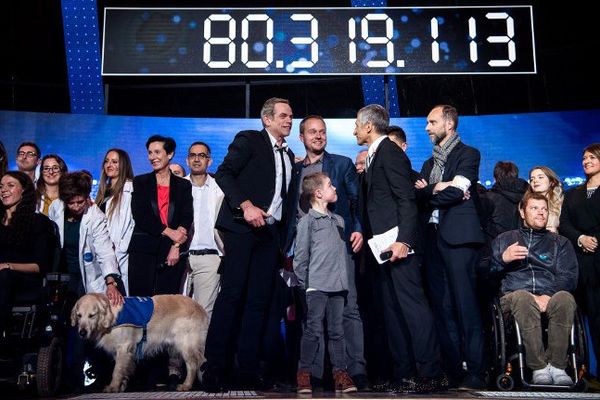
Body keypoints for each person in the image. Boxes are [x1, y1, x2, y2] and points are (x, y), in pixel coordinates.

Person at [202, 97, 295, 391]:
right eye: (283, 115)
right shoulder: (250, 140)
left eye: (291, 116)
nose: (288, 120)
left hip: (269, 236)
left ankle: (247, 368)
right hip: (242, 228)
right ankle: (215, 368)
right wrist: (245, 205)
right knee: (231, 295)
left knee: (258, 302)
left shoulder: (289, 155)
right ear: (266, 119)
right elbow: (225, 173)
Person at [354, 104, 445, 393]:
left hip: (398, 245)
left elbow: (406, 199)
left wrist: (405, 241)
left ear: (369, 126)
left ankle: (431, 373)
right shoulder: (374, 156)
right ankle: (403, 373)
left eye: (357, 124)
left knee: (413, 308)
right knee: (393, 311)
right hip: (382, 247)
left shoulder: (390, 152)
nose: (354, 130)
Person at [285, 115, 366, 389]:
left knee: (348, 310)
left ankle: (353, 372)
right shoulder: (295, 169)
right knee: (311, 316)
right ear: (302, 137)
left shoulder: (341, 164)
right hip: (306, 248)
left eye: (322, 131)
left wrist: (358, 228)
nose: (318, 136)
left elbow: (356, 201)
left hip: (339, 244)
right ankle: (313, 374)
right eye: (312, 132)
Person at [416, 104, 486, 389]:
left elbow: (457, 192)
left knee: (465, 306)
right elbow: (419, 195)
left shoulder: (468, 154)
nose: (427, 128)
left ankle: (476, 371)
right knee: (442, 309)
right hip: (432, 242)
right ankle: (454, 370)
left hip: (459, 240)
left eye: (432, 122)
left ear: (450, 124)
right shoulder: (429, 164)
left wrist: (430, 191)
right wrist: (437, 189)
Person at [48, 171, 124, 391]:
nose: (76, 206)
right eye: (71, 202)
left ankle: (94, 378)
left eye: (80, 201)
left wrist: (111, 282)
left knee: (89, 330)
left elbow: (104, 250)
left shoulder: (94, 215)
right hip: (61, 276)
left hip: (87, 278)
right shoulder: (55, 208)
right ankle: (64, 378)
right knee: (63, 327)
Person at [492, 191, 578, 385]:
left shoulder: (560, 243)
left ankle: (557, 367)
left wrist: (547, 295)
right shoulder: (505, 239)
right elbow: (483, 274)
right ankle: (538, 367)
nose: (541, 213)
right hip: (513, 298)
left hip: (551, 295)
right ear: (522, 212)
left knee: (565, 298)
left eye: (544, 209)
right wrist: (502, 260)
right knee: (523, 297)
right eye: (534, 208)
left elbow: (569, 276)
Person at [295, 172, 358, 394]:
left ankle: (340, 372)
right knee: (313, 330)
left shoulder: (338, 220)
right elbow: (301, 257)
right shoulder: (307, 222)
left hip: (338, 286)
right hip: (317, 287)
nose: (335, 189)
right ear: (319, 193)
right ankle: (304, 373)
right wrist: (307, 284)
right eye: (331, 185)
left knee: (337, 331)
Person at [128, 135, 193, 297]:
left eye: (157, 152)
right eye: (150, 153)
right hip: (143, 249)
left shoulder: (183, 185)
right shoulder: (140, 182)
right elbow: (141, 216)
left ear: (169, 154)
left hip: (172, 249)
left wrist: (176, 245)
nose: (152, 157)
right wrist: (170, 232)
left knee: (167, 303)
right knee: (141, 301)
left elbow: (186, 216)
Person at [0, 171, 55, 353]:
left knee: (4, 275)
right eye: (1, 186)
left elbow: (39, 266)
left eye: (10, 185)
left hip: (25, 281)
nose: (4, 190)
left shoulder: (38, 222)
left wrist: (7, 266)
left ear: (23, 190)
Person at [559, 143, 600, 367]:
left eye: (592, 157)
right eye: (584, 158)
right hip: (583, 263)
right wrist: (580, 238)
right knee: (589, 318)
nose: (587, 161)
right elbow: (564, 223)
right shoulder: (573, 193)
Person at [184, 141, 224, 321]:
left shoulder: (221, 188)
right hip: (180, 256)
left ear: (210, 161)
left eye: (202, 155)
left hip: (210, 257)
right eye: (193, 155)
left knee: (204, 313)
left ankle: (202, 350)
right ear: (187, 160)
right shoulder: (179, 186)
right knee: (177, 313)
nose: (197, 159)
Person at [95, 149, 135, 295]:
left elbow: (130, 224)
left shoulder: (129, 189)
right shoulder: (103, 192)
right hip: (104, 253)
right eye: (106, 161)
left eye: (114, 162)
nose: (109, 165)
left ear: (123, 165)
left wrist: (122, 246)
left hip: (120, 254)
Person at [482, 161, 529, 239]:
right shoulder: (529, 197)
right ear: (516, 176)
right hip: (523, 244)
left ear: (494, 178)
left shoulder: (487, 198)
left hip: (495, 244)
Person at [526, 166, 563, 233]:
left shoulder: (562, 202)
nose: (535, 181)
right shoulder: (525, 203)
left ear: (551, 182)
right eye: (532, 179)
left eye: (540, 177)